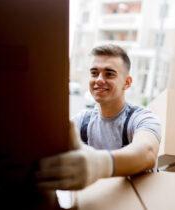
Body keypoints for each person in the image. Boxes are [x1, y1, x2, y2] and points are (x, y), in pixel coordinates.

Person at [36, 44, 161, 190]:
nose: (99, 80)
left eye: (109, 74)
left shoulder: (142, 118)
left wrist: (99, 164)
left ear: (126, 83)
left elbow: (147, 151)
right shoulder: (82, 121)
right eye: (94, 73)